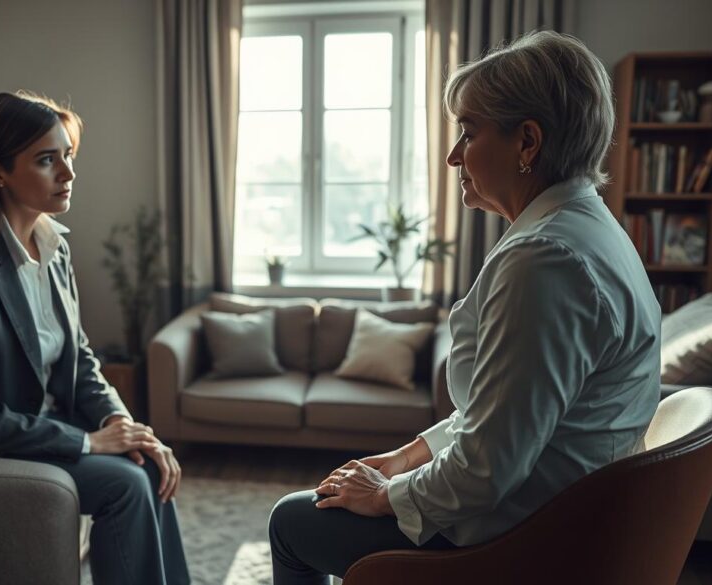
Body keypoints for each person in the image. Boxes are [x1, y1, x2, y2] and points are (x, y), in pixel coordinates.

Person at [269, 30, 661, 584]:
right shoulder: (589, 230)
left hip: (521, 541)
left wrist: (387, 496)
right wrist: (409, 455)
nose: (454, 156)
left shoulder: (544, 261)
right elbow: (508, 411)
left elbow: (488, 468)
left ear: (528, 143)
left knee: (292, 521)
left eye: (468, 132)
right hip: (564, 516)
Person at [0, 91, 189, 585]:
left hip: (29, 429)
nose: (67, 173)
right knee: (126, 485)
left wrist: (122, 424)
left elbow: (80, 358)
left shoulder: (54, 246)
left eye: (67, 155)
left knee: (147, 465)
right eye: (47, 160)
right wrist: (89, 441)